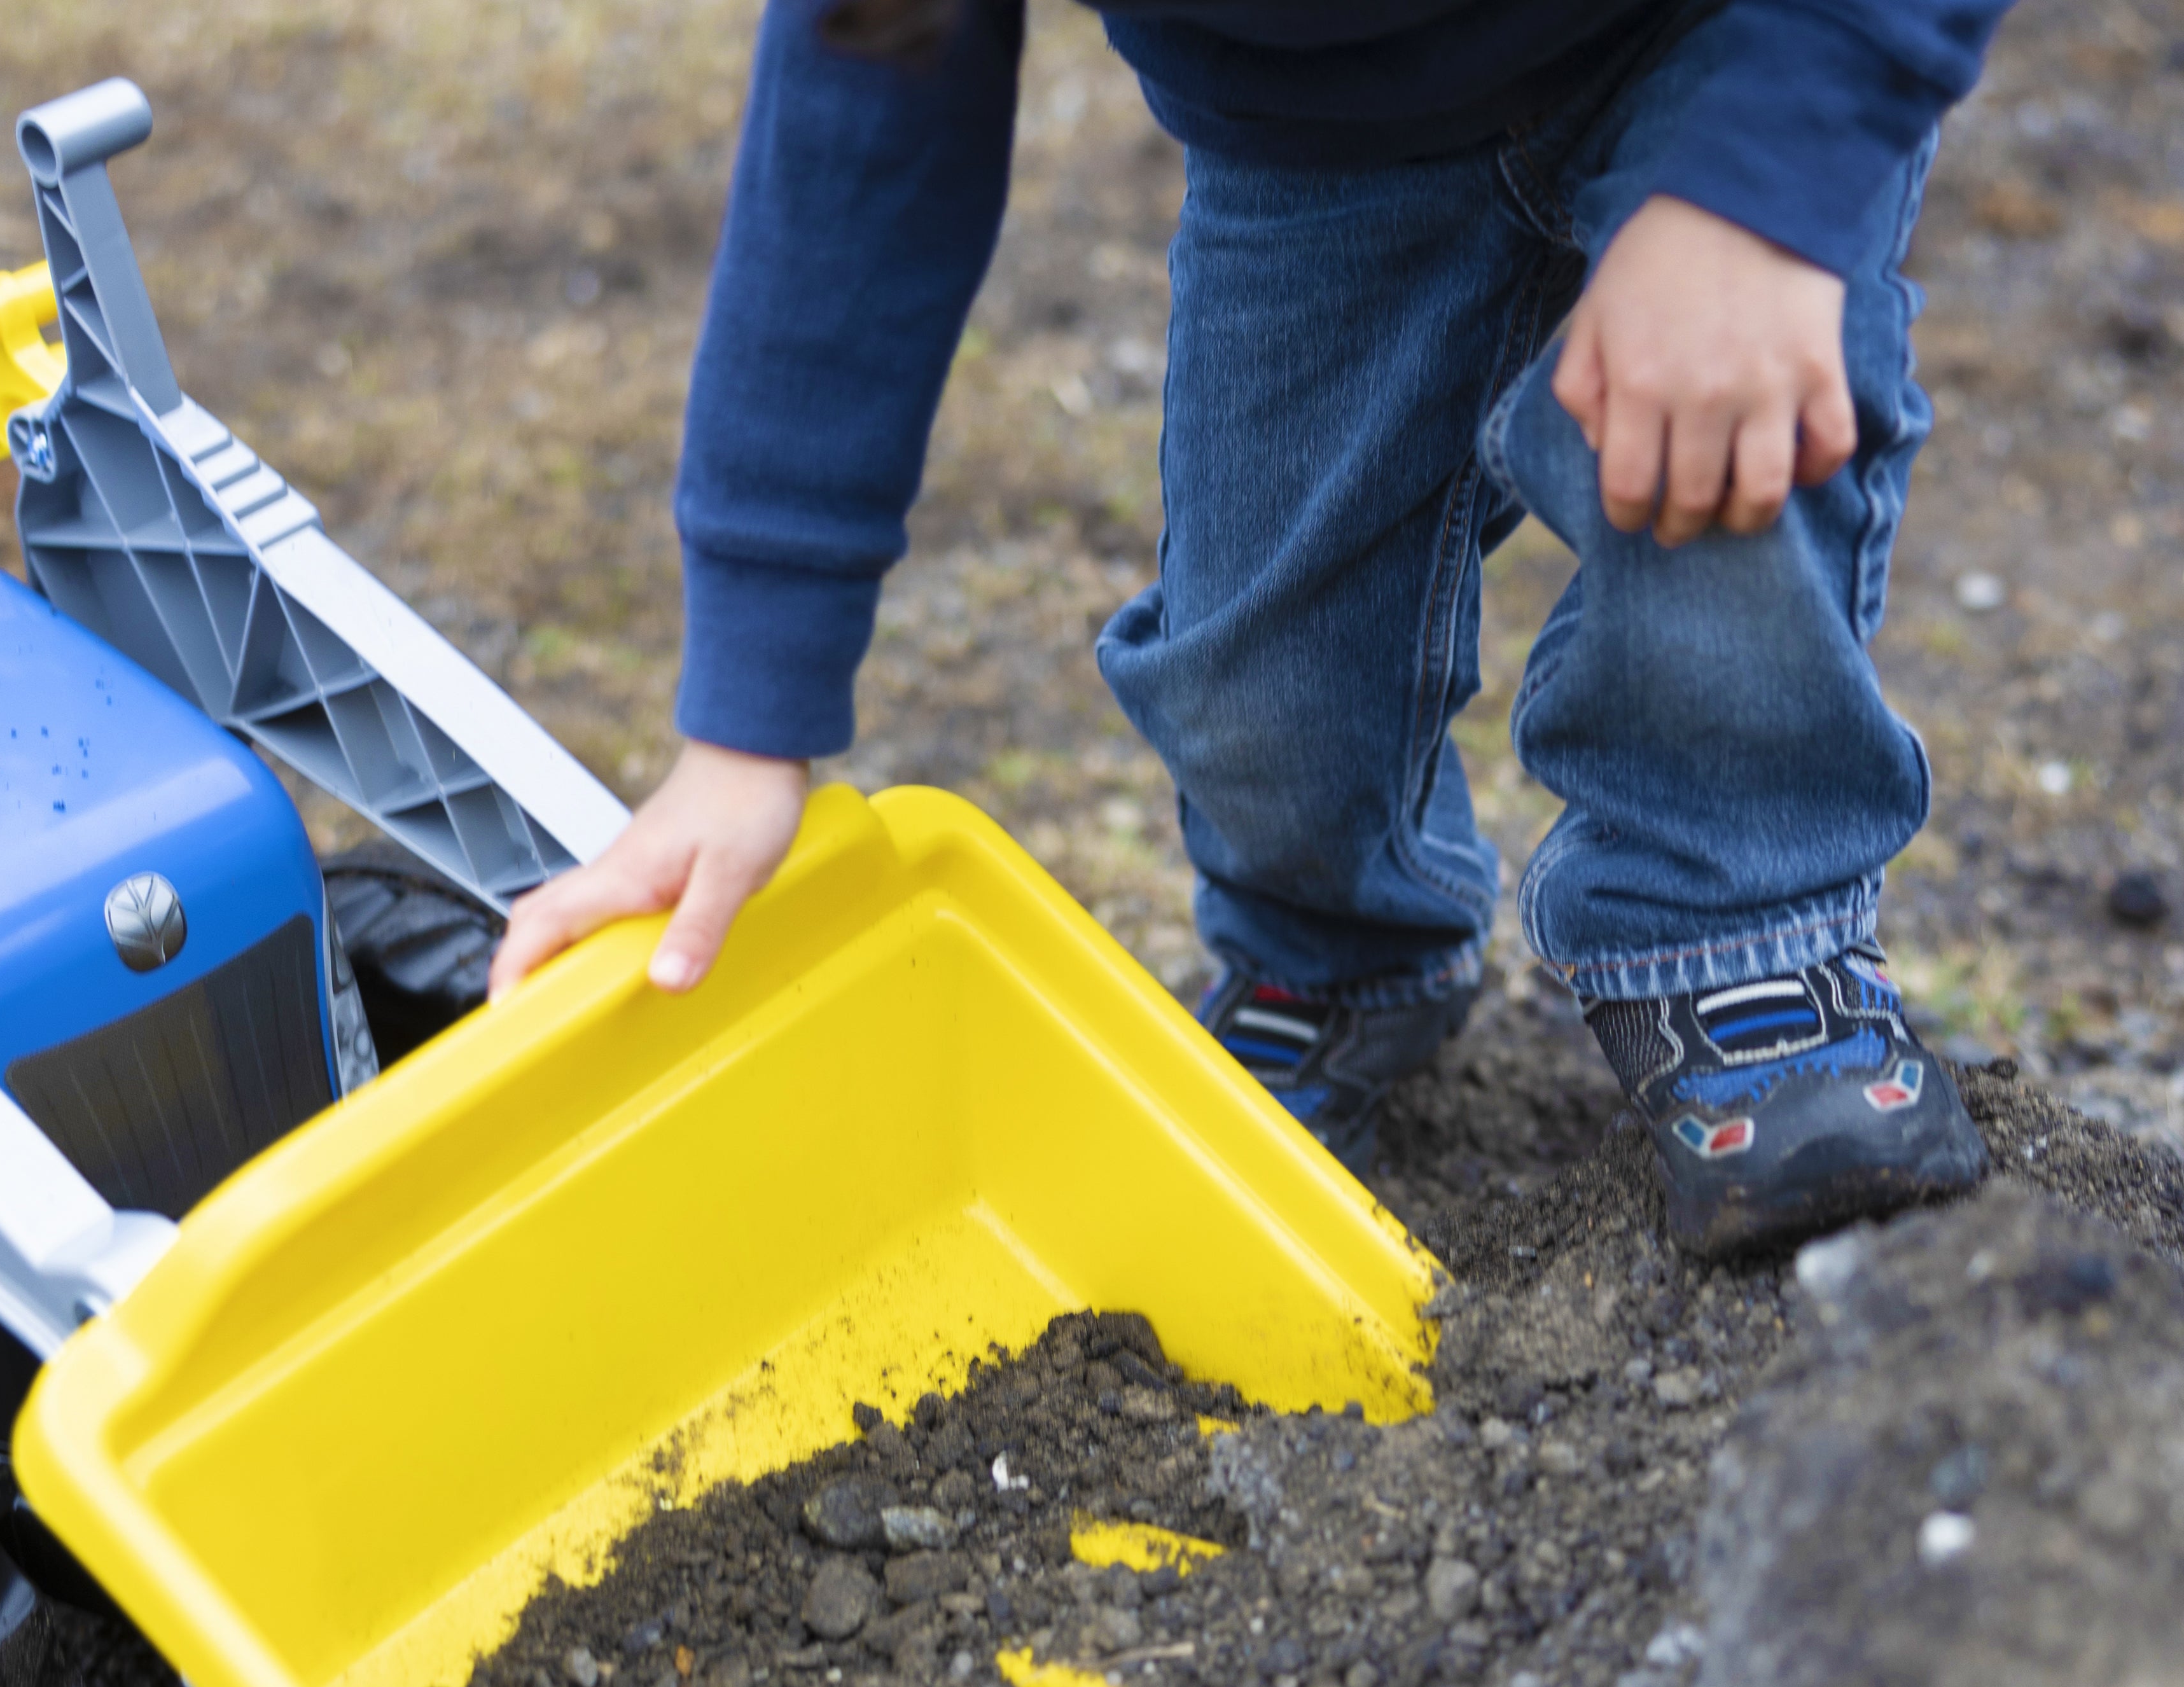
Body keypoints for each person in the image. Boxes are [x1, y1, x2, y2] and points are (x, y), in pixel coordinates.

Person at [488, 0, 2013, 1258]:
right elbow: (867, 93)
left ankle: (1735, 934)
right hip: (1321, 131)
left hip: (1734, 56)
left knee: (1717, 493)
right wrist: (747, 727)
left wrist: (1770, 183)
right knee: (1259, 677)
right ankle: (1336, 956)